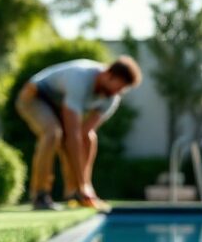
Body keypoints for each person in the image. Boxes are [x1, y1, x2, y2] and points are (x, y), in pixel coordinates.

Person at [14, 57, 142, 211]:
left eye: (122, 89)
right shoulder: (81, 77)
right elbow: (72, 136)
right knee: (53, 133)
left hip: (58, 107)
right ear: (108, 74)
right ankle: (40, 195)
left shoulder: (111, 99)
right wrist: (83, 184)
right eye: (118, 86)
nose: (118, 92)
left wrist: (86, 186)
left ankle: (74, 193)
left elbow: (83, 133)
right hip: (34, 96)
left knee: (89, 138)